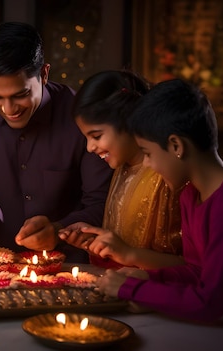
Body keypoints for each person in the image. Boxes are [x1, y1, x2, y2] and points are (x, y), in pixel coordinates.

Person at [96, 78, 223, 321]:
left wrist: (130, 289)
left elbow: (209, 302)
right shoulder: (191, 193)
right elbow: (197, 271)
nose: (148, 164)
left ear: (176, 146)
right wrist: (149, 278)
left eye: (148, 153)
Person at [0, 22, 112, 262]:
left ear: (44, 74)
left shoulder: (80, 116)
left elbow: (102, 204)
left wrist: (59, 230)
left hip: (73, 264)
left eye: (21, 95)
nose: (9, 108)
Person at [58, 70, 184, 270]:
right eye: (86, 138)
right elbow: (121, 248)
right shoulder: (122, 169)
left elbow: (192, 269)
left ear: (130, 122)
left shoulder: (167, 176)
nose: (90, 148)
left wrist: (127, 254)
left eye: (97, 136)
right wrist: (96, 243)